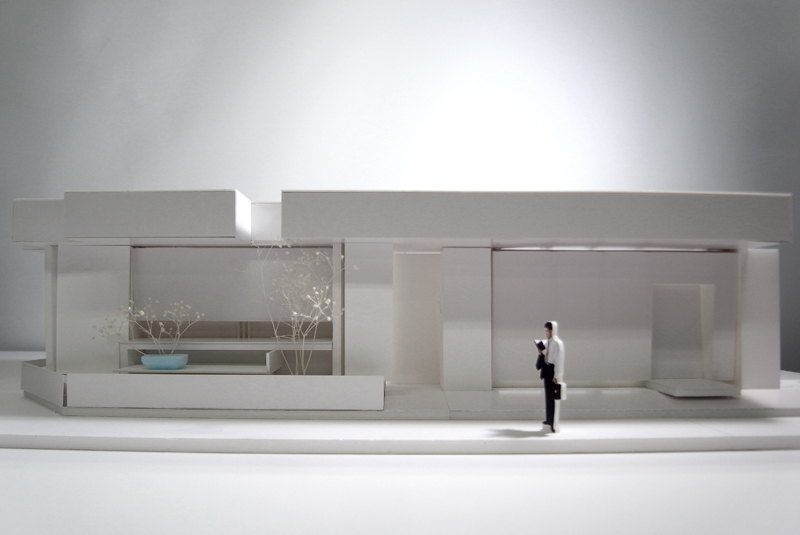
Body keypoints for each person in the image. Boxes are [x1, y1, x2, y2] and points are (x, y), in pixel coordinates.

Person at [539, 321, 564, 433]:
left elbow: (559, 360)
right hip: (546, 369)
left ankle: (553, 423)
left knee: (553, 398)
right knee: (548, 397)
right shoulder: (547, 343)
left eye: (547, 331)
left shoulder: (557, 343)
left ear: (552, 330)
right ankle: (549, 419)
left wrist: (557, 375)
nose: (546, 333)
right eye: (545, 331)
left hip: (552, 370)